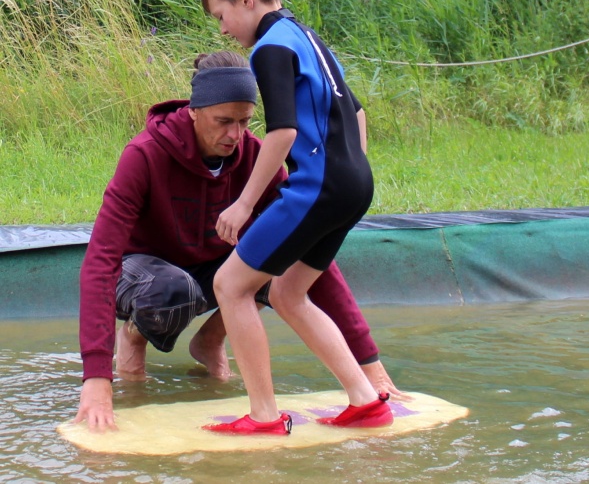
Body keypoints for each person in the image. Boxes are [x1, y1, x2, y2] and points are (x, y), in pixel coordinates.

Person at [74, 50, 403, 432]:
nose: (235, 134)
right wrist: (96, 380)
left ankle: (210, 340)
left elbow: (314, 260)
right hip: (145, 274)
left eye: (245, 121)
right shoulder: (144, 155)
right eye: (223, 121)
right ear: (195, 111)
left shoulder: (256, 156)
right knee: (171, 291)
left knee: (279, 265)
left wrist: (371, 367)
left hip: (214, 271)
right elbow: (101, 261)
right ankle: (133, 340)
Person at [199, 0, 390, 436]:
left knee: (230, 285)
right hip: (355, 182)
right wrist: (352, 170)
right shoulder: (308, 36)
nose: (223, 29)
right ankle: (365, 400)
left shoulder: (269, 48)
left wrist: (243, 204)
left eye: (222, 15)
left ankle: (262, 415)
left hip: (321, 186)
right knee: (286, 292)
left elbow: (281, 133)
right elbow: (358, 111)